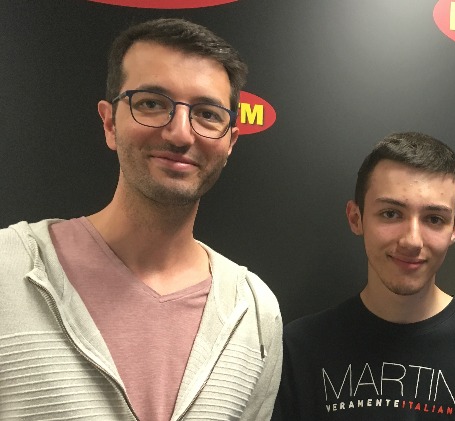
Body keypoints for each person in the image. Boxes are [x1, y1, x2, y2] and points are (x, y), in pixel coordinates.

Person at [0, 18, 281, 420]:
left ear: (230, 141)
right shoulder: (8, 271)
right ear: (110, 123)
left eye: (207, 113)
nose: (180, 134)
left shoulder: (255, 313)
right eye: (152, 103)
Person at [272, 132, 455, 420]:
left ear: (454, 229)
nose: (412, 241)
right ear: (356, 218)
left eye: (434, 219)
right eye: (391, 214)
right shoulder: (302, 346)